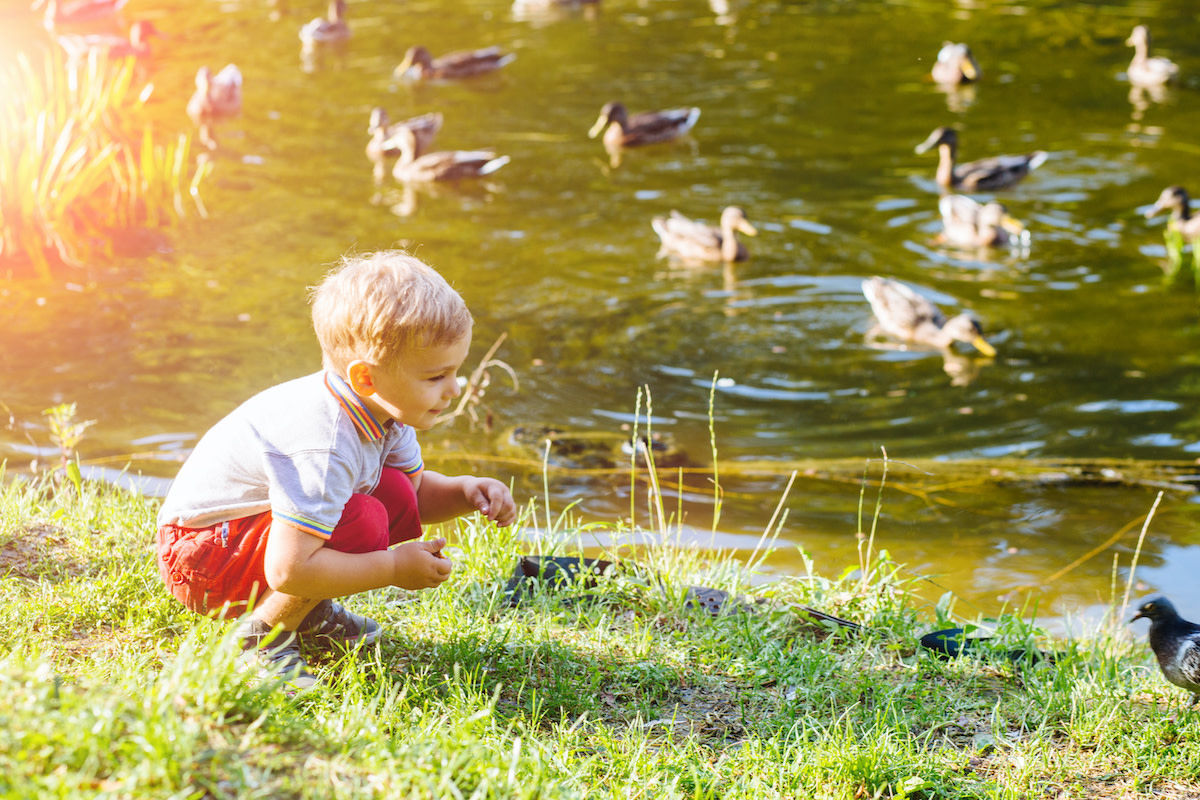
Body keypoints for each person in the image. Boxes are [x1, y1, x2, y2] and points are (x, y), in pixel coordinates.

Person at [155, 250, 517, 688]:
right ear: (366, 378)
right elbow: (287, 569)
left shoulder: (385, 411)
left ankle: (307, 610)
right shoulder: (324, 443)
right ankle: (260, 638)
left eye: (456, 371)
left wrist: (465, 491)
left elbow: (414, 497)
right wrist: (394, 567)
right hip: (203, 556)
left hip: (242, 539)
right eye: (435, 377)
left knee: (394, 492)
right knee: (363, 522)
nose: (455, 389)